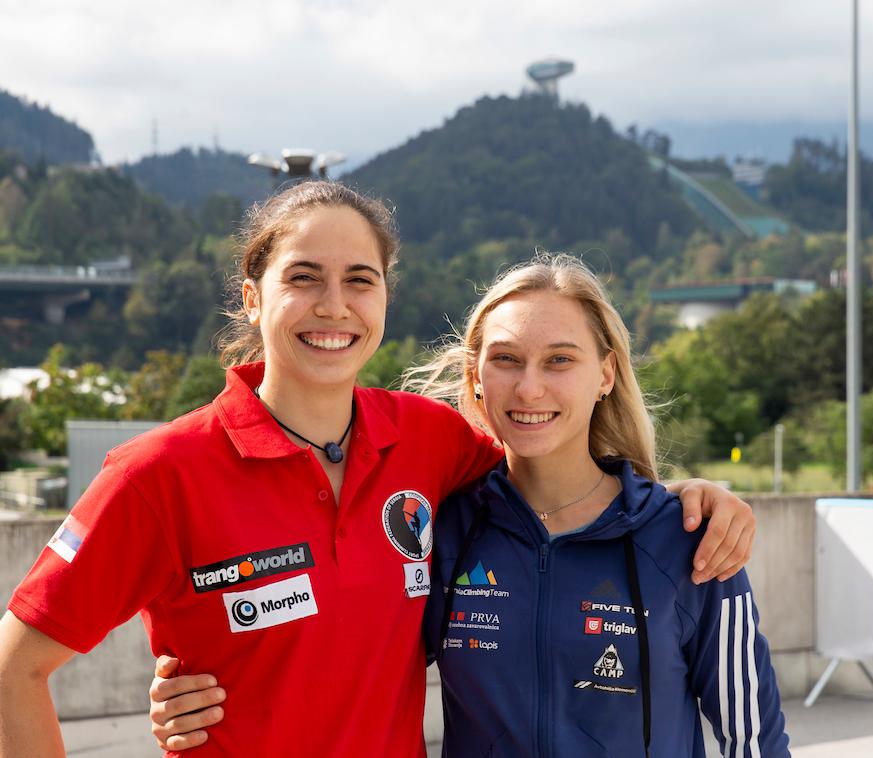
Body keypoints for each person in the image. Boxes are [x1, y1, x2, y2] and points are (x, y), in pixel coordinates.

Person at [0, 182, 756, 757]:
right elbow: (13, 671)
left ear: (386, 296)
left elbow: (559, 465)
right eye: (304, 277)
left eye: (360, 278)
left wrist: (688, 499)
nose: (334, 306)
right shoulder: (159, 473)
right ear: (252, 296)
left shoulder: (430, 444)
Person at [153, 254, 789, 756]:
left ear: (606, 375)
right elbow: (346, 650)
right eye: (506, 360)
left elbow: (754, 743)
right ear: (477, 380)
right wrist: (203, 689)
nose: (529, 386)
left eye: (560, 360)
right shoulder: (447, 527)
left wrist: (680, 498)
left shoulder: (689, 539)